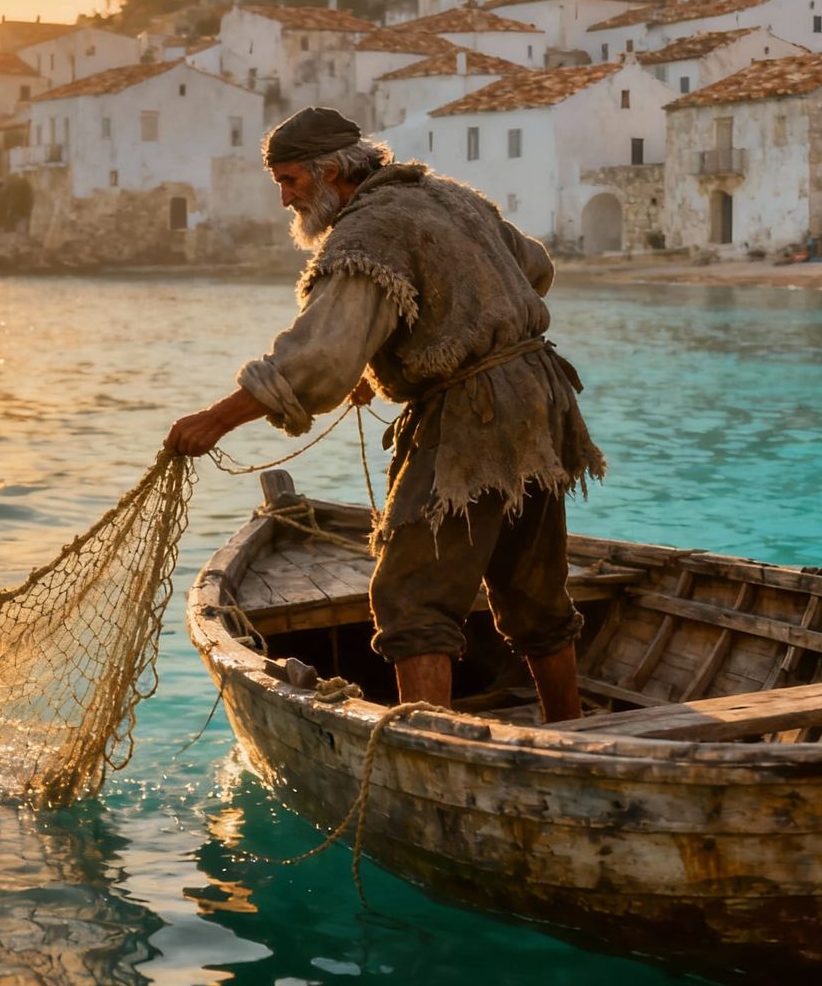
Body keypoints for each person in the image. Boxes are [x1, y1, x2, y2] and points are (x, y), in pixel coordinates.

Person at [165, 106, 604, 722]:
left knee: (411, 598)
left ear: (334, 171)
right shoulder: (450, 196)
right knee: (534, 587)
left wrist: (215, 419)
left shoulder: (368, 232)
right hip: (543, 399)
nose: (286, 200)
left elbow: (317, 359)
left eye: (290, 181)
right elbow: (534, 268)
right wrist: (414, 340)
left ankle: (428, 743)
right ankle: (570, 725)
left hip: (471, 418)